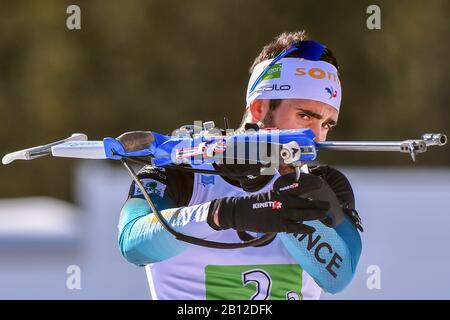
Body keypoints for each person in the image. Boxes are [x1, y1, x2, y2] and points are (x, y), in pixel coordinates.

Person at [118, 31, 362, 300]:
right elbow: (134, 245)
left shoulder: (322, 183)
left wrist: (298, 206)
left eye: (326, 124)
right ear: (259, 108)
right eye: (304, 116)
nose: (317, 137)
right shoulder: (183, 173)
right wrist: (225, 214)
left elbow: (339, 277)